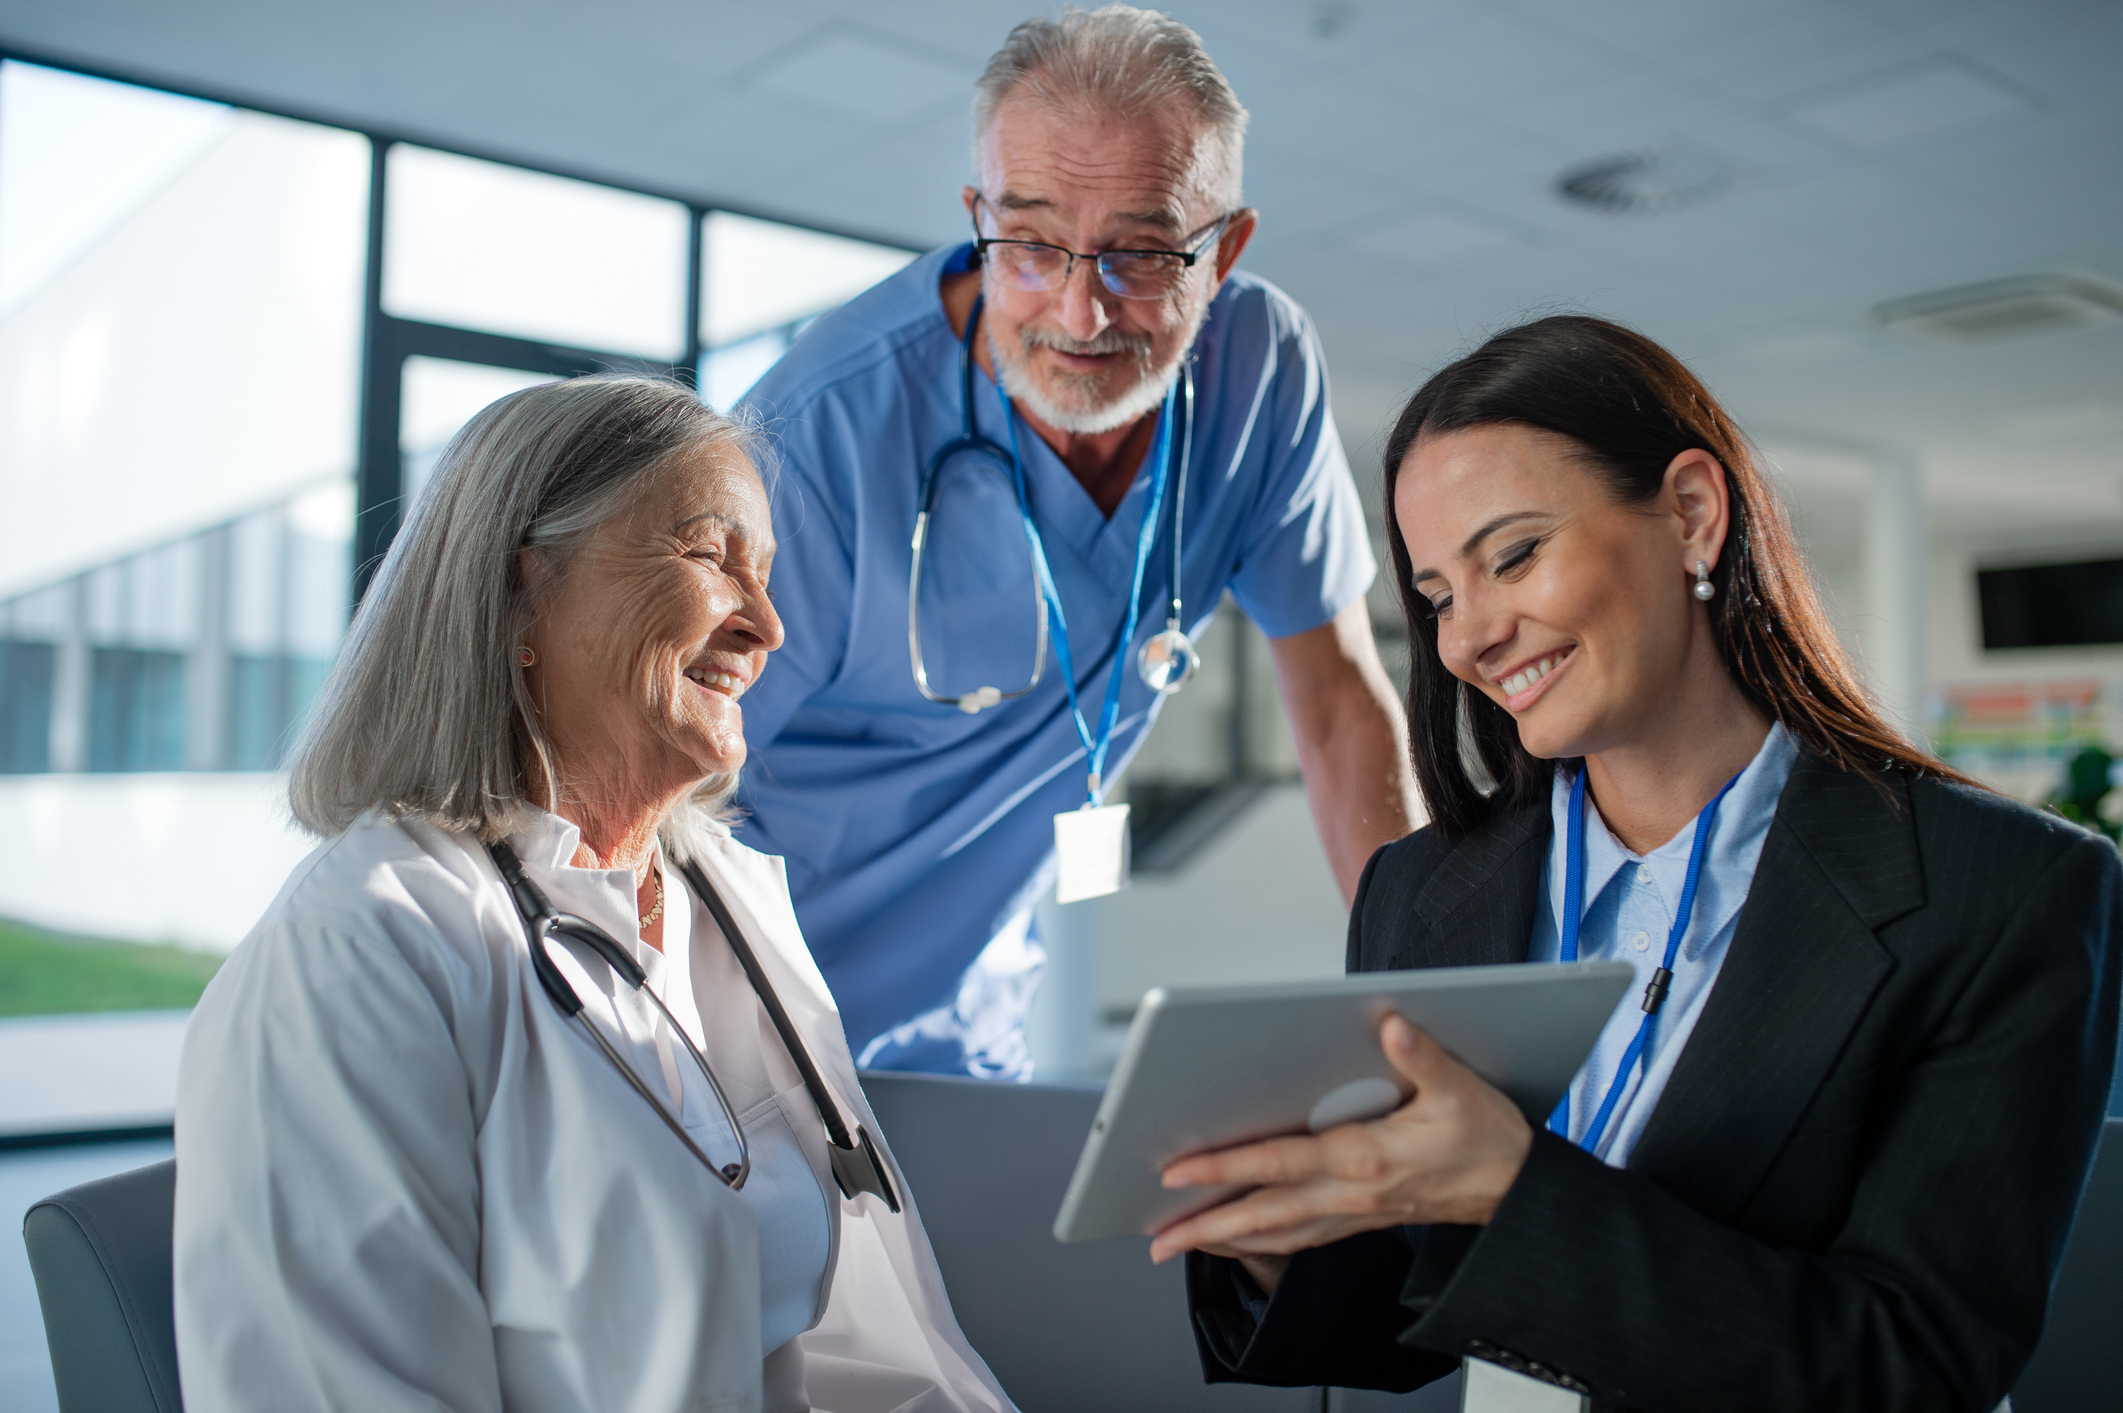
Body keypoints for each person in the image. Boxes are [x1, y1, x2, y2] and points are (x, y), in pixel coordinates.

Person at [1151, 316, 2122, 1411]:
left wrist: (1512, 1193)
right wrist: (1280, 1237)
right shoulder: (1421, 889)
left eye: (1510, 556)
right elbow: (1407, 1318)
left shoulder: (1997, 891)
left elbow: (1911, 1370)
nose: (1466, 639)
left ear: (1690, 516)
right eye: (1434, 599)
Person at [174, 378, 1012, 1413]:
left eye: (766, 574)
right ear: (521, 591)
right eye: (710, 557)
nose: (766, 627)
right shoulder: (358, 955)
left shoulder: (725, 904)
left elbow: (866, 1348)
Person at [732, 6, 1418, 1078]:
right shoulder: (812, 437)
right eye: (1032, 244)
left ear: (1223, 250)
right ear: (976, 217)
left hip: (975, 1037)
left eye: (1140, 255)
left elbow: (1336, 707)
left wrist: (1425, 998)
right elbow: (654, 779)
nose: (1080, 312)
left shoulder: (1258, 373)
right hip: (750, 1027)